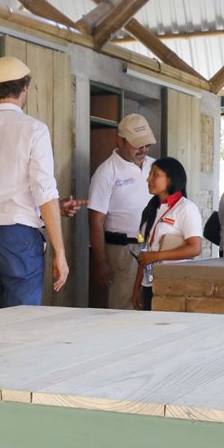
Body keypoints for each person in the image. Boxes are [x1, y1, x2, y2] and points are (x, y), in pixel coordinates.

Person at [0, 56, 84, 312]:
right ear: (25, 88)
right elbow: (45, 194)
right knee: (22, 318)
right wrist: (60, 252)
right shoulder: (34, 130)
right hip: (19, 235)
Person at [86, 113, 157, 309]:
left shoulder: (154, 166)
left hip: (152, 249)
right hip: (123, 251)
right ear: (120, 140)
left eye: (146, 144)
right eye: (138, 144)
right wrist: (100, 262)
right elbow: (95, 220)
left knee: (152, 304)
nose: (143, 149)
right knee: (126, 305)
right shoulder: (106, 172)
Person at [131, 157, 203, 311]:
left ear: (171, 179)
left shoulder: (186, 208)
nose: (148, 179)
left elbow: (195, 248)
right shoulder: (150, 209)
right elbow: (145, 253)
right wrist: (137, 287)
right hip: (149, 283)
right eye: (150, 174)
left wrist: (157, 256)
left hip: (174, 283)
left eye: (155, 175)